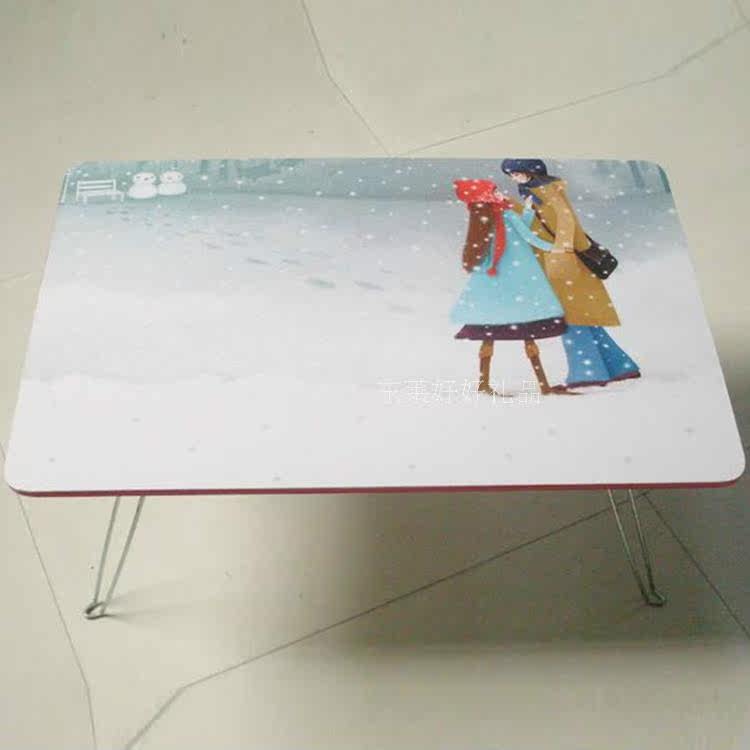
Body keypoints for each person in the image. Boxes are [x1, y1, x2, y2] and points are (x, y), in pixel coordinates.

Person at [500, 159, 641, 388]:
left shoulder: (548, 190)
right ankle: (619, 365)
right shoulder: (532, 192)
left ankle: (587, 372)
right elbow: (534, 223)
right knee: (580, 316)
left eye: (516, 173)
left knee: (569, 316)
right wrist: (508, 204)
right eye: (511, 175)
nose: (513, 178)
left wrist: (562, 248)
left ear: (530, 172)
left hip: (564, 262)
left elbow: (567, 221)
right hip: (555, 259)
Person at [451, 178, 573, 396]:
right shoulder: (504, 214)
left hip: (494, 287)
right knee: (528, 332)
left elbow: (519, 229)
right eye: (494, 191)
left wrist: (527, 210)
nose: (499, 194)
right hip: (519, 282)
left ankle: (484, 383)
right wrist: (554, 247)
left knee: (489, 334)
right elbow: (527, 235)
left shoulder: (482, 222)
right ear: (488, 197)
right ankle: (543, 385)